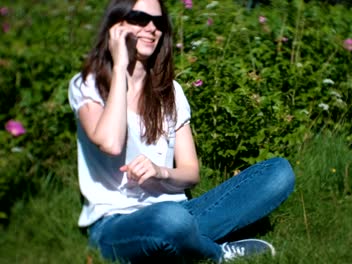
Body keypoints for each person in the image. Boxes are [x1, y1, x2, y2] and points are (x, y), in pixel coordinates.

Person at [68, 0, 295, 263]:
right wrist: (120, 67)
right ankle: (217, 252)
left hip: (180, 210)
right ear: (117, 25)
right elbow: (111, 143)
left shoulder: (171, 92)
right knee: (169, 221)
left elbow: (190, 173)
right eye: (140, 18)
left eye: (159, 22)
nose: (151, 28)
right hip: (115, 222)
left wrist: (160, 171)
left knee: (279, 173)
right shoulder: (89, 85)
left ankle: (177, 242)